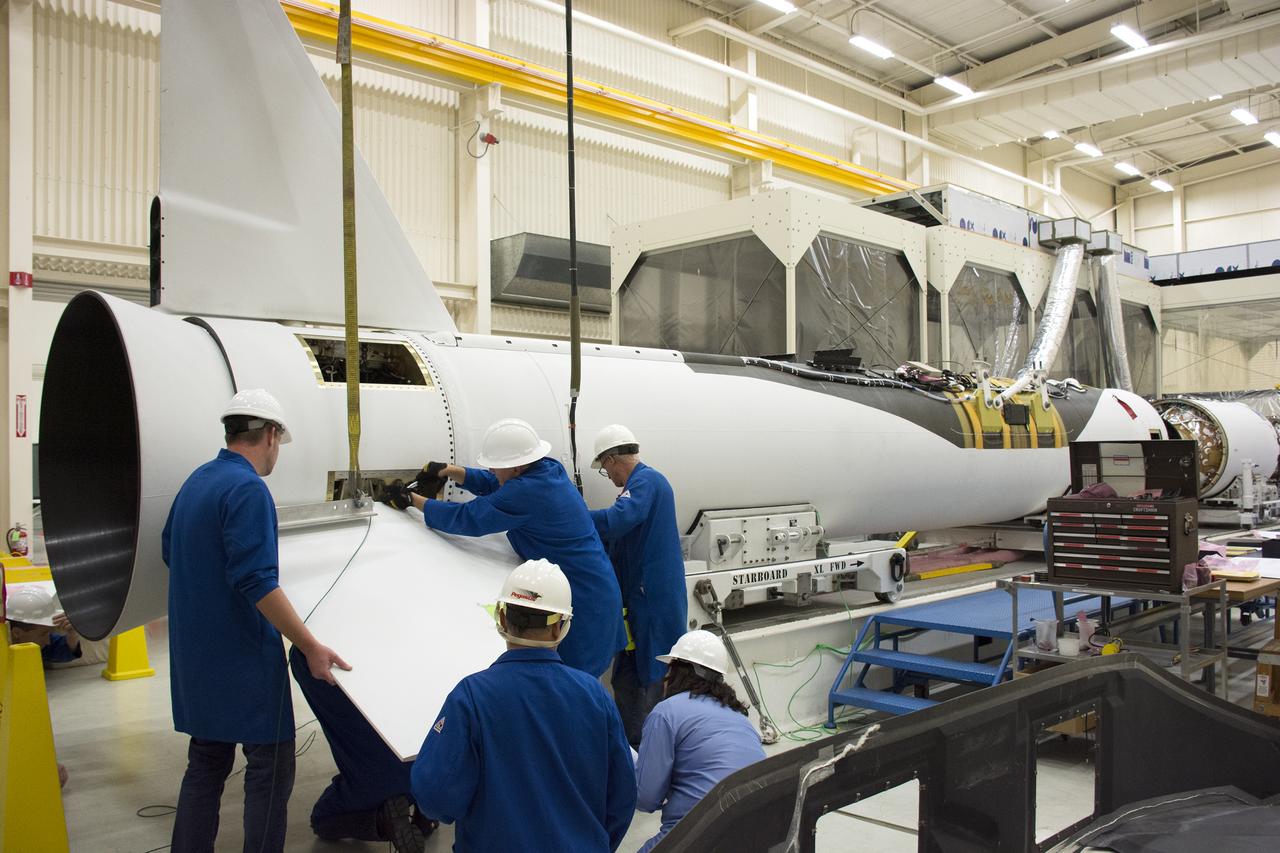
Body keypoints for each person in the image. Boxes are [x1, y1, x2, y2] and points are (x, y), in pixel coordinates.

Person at [163, 388, 349, 853]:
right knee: (272, 767)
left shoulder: (197, 481)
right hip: (242, 660)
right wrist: (310, 645)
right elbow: (257, 581)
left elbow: (173, 551)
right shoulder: (247, 488)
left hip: (196, 658)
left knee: (206, 762)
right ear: (269, 434)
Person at [412, 559, 636, 851]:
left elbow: (435, 796)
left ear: (502, 619)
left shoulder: (472, 697)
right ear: (561, 628)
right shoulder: (595, 696)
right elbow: (622, 798)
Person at [405, 417, 625, 678]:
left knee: (573, 689)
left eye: (496, 466)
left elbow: (469, 518)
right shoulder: (546, 469)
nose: (493, 471)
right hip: (598, 591)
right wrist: (451, 471)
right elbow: (497, 484)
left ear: (517, 466)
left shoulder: (528, 491)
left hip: (585, 603)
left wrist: (411, 500)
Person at [588, 424, 688, 747]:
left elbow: (619, 520)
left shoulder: (646, 481)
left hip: (653, 606)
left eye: (604, 467)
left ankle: (652, 754)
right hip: (639, 607)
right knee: (628, 679)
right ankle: (631, 751)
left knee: (654, 682)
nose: (608, 473)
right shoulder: (639, 487)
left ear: (613, 459)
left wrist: (576, 517)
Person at [634, 631, 767, 853]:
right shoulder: (739, 718)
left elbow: (646, 799)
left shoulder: (666, 712)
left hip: (701, 833)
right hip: (758, 834)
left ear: (676, 671)